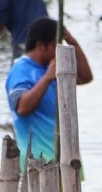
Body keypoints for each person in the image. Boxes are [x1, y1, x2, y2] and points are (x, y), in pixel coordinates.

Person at [6, 17, 94, 166]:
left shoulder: (53, 67)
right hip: (37, 159)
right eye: (55, 46)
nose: (58, 51)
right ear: (41, 45)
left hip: (65, 157)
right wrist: (47, 78)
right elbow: (22, 108)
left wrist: (74, 44)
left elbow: (85, 77)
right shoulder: (21, 70)